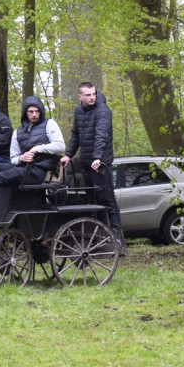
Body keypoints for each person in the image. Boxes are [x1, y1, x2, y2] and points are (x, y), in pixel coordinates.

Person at [59, 82, 127, 256]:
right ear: (80, 96)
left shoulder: (103, 110)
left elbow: (101, 135)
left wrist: (97, 157)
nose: (91, 97)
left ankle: (118, 242)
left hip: (100, 163)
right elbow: (76, 134)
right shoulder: (78, 111)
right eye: (87, 95)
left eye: (93, 94)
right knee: (92, 203)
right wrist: (68, 154)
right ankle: (100, 240)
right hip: (86, 163)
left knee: (108, 201)